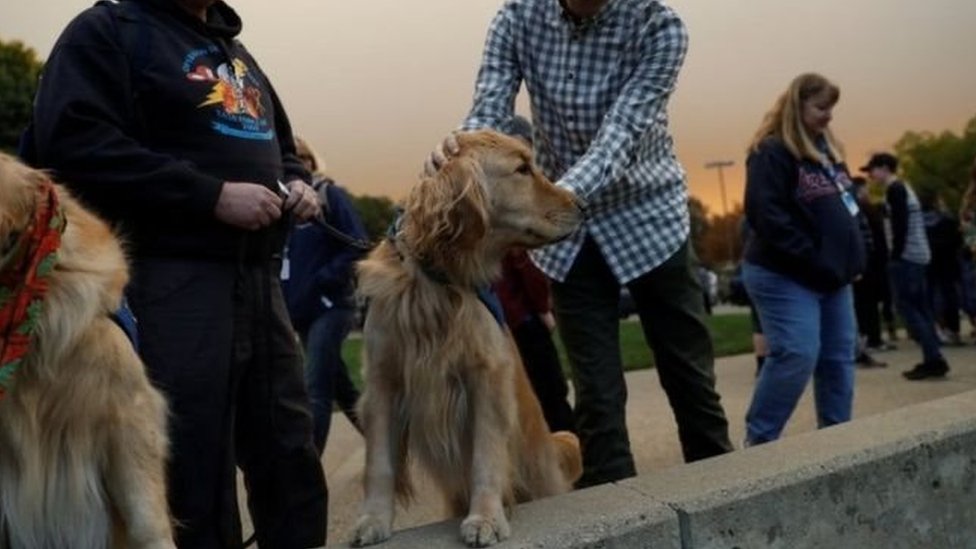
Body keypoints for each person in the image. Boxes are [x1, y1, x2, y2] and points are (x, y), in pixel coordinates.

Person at [28, 1, 328, 547]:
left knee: (288, 448)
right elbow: (72, 143)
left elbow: (283, 148)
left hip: (259, 280)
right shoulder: (108, 32)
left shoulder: (236, 56)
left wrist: (296, 182)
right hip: (169, 278)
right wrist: (209, 195)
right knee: (190, 459)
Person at [427, 0, 733, 487]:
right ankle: (619, 523)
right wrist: (461, 151)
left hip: (649, 218)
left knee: (690, 379)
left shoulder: (660, 26)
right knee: (596, 398)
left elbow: (620, 136)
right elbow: (490, 109)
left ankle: (727, 504)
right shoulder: (516, 17)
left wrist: (554, 204)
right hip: (568, 236)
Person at [741, 73, 865, 446]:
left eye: (832, 109)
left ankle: (837, 440)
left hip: (831, 278)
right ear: (797, 106)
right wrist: (815, 260)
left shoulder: (825, 154)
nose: (828, 116)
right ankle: (760, 443)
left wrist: (852, 259)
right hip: (784, 274)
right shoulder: (772, 151)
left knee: (839, 356)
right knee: (796, 353)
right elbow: (766, 215)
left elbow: (847, 211)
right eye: (821, 107)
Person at [283, 136, 367, 454]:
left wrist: (323, 280)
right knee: (340, 387)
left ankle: (309, 469)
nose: (299, 162)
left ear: (311, 161)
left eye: (303, 156)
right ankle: (387, 445)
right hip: (303, 311)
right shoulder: (284, 207)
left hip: (332, 307)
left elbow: (356, 244)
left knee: (315, 387)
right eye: (292, 157)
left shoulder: (328, 195)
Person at [862, 152, 950, 380]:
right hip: (919, 255)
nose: (871, 176)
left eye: (872, 170)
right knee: (921, 308)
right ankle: (934, 356)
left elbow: (900, 226)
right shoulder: (905, 188)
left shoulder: (895, 189)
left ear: (883, 167)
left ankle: (933, 359)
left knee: (907, 307)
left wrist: (895, 256)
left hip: (907, 257)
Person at [919, 189, 964, 346]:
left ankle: (935, 328)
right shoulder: (948, 221)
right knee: (950, 294)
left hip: (927, 263)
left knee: (929, 296)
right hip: (948, 263)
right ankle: (954, 330)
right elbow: (958, 241)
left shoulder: (920, 224)